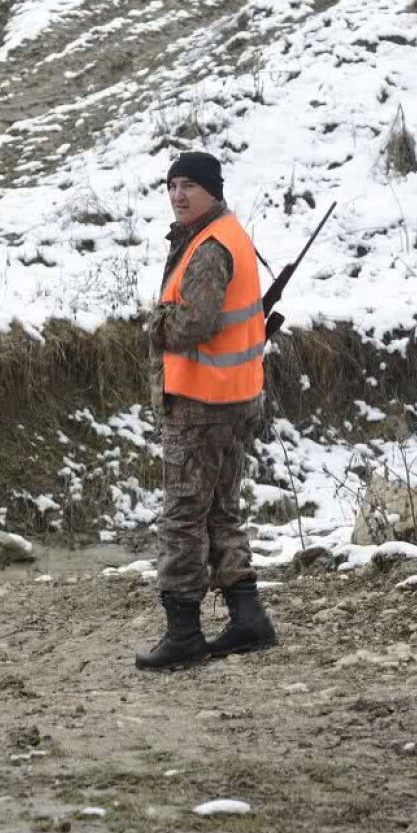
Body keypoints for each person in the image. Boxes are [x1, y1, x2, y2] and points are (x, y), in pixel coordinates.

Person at [136, 151, 276, 671]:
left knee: (182, 518)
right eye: (172, 185)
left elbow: (193, 324)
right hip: (234, 397)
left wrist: (154, 320)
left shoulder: (210, 246)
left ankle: (184, 633)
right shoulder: (227, 233)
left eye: (189, 185)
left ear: (212, 190)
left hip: (201, 403)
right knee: (219, 510)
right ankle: (248, 620)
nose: (178, 195)